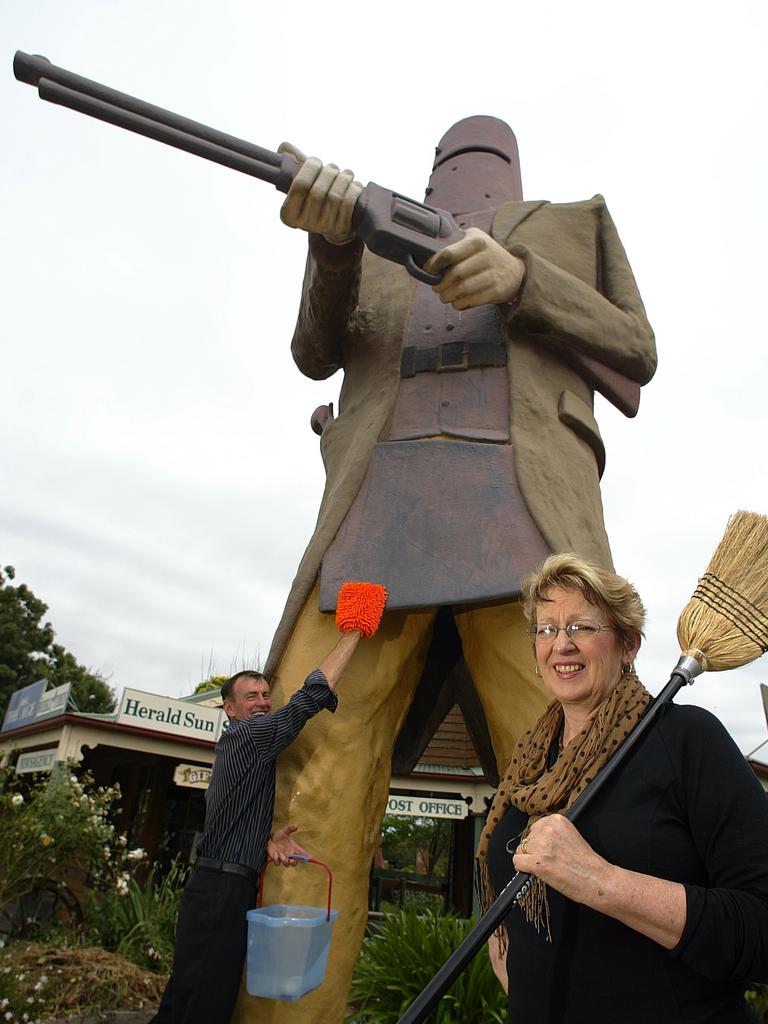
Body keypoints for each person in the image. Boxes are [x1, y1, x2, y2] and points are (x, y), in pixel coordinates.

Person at [249, 117, 657, 1024]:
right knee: (311, 773)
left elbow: (637, 346)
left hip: (530, 534)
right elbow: (317, 351)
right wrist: (330, 246)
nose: (462, 180)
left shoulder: (573, 224)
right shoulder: (372, 237)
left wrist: (521, 282)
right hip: (372, 536)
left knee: (583, 780)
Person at [478, 552, 768, 1023]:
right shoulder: (530, 760)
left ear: (628, 645)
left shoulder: (687, 740)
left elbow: (760, 927)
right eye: (546, 629)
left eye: (582, 627)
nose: (561, 645)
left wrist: (599, 880)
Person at [149, 621, 372, 1024]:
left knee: (188, 993)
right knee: (206, 1000)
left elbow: (228, 817)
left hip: (219, 886)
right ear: (230, 709)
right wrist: (355, 631)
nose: (262, 703)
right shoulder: (248, 736)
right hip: (220, 891)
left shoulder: (242, 751)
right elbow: (306, 702)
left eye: (266, 695)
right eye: (250, 697)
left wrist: (264, 840)